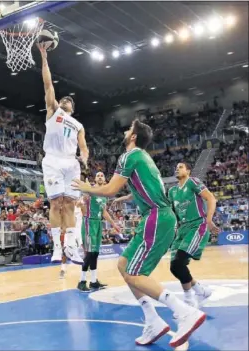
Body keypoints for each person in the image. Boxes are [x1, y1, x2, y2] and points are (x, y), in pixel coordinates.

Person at [71, 119, 206, 348]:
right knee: (123, 265)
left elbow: (111, 189)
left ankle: (184, 311)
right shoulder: (145, 158)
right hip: (156, 217)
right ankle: (152, 320)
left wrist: (87, 188)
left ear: (133, 137)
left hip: (156, 217)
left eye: (128, 129)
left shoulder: (130, 155)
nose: (125, 131)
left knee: (134, 274)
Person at [37, 42, 89, 265]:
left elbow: (84, 147)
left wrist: (85, 157)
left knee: (69, 203)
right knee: (56, 202)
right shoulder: (53, 110)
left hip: (71, 163)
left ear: (73, 109)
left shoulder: (78, 124)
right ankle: (57, 248)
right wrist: (44, 57)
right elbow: (48, 83)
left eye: (70, 100)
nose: (66, 100)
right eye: (64, 98)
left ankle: (69, 245)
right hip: (53, 161)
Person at [168, 162, 220, 308]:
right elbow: (172, 213)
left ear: (188, 171)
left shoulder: (193, 182)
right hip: (182, 229)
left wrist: (209, 220)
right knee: (174, 267)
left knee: (179, 262)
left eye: (181, 167)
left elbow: (211, 198)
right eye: (176, 167)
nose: (177, 168)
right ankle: (200, 290)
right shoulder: (172, 191)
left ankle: (189, 300)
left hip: (197, 225)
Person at [77, 172, 120, 292]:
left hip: (98, 223)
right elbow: (79, 203)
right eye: (98, 175)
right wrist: (81, 202)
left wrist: (114, 224)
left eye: (102, 175)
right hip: (89, 222)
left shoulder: (104, 194)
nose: (100, 176)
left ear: (105, 179)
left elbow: (104, 212)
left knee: (95, 253)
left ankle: (94, 281)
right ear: (95, 179)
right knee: (89, 253)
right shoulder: (89, 191)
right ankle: (82, 281)